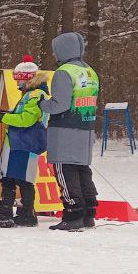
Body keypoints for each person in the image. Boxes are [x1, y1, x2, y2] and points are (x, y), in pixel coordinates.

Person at [38, 31, 100, 230]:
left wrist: (42, 104)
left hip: (65, 130)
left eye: (55, 51)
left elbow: (60, 105)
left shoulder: (63, 72)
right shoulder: (89, 71)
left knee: (65, 170)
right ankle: (89, 214)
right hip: (86, 127)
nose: (54, 55)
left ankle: (73, 214)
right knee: (83, 170)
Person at [0, 56, 48, 228]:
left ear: (27, 78)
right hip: (17, 143)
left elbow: (27, 119)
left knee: (23, 179)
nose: (16, 82)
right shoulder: (28, 94)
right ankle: (10, 210)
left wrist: (5, 117)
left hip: (26, 143)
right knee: (9, 177)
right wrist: (6, 114)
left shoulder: (36, 95)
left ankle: (25, 212)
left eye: (18, 78)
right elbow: (21, 114)